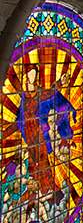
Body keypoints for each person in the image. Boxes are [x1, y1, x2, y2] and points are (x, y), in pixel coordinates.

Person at [14, 64, 76, 206]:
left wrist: (60, 82)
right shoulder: (24, 95)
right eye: (30, 74)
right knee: (33, 160)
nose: (33, 77)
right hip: (28, 132)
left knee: (42, 160)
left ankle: (50, 189)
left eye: (35, 74)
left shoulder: (38, 92)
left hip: (36, 132)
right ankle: (40, 189)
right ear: (26, 76)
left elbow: (50, 93)